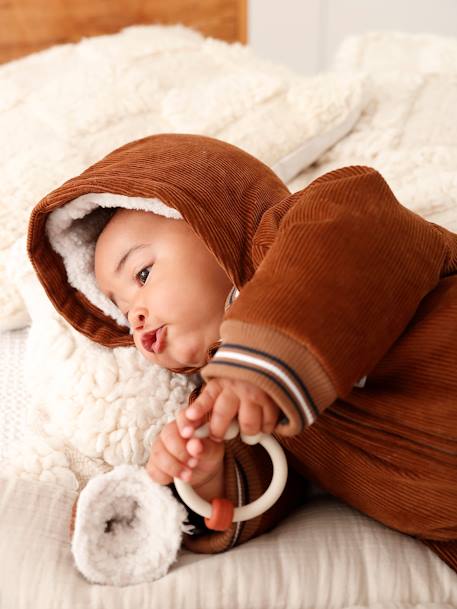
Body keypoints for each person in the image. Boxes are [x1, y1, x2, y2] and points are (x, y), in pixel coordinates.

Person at [28, 133, 457, 568]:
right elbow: (270, 485)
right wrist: (209, 477)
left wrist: (256, 359)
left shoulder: (312, 224)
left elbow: (358, 234)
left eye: (142, 274)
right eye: (121, 311)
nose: (135, 316)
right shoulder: (221, 400)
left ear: (214, 224)